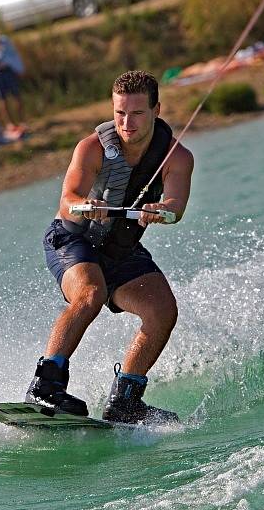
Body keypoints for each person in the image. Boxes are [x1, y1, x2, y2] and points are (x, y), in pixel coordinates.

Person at [25, 70, 194, 424]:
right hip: (72, 240)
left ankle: (126, 400)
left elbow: (177, 204)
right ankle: (46, 385)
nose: (126, 123)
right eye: (120, 113)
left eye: (136, 113)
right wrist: (87, 203)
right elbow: (67, 199)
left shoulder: (177, 157)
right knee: (91, 292)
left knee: (163, 310)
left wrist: (164, 210)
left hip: (120, 251)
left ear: (156, 110)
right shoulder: (93, 148)